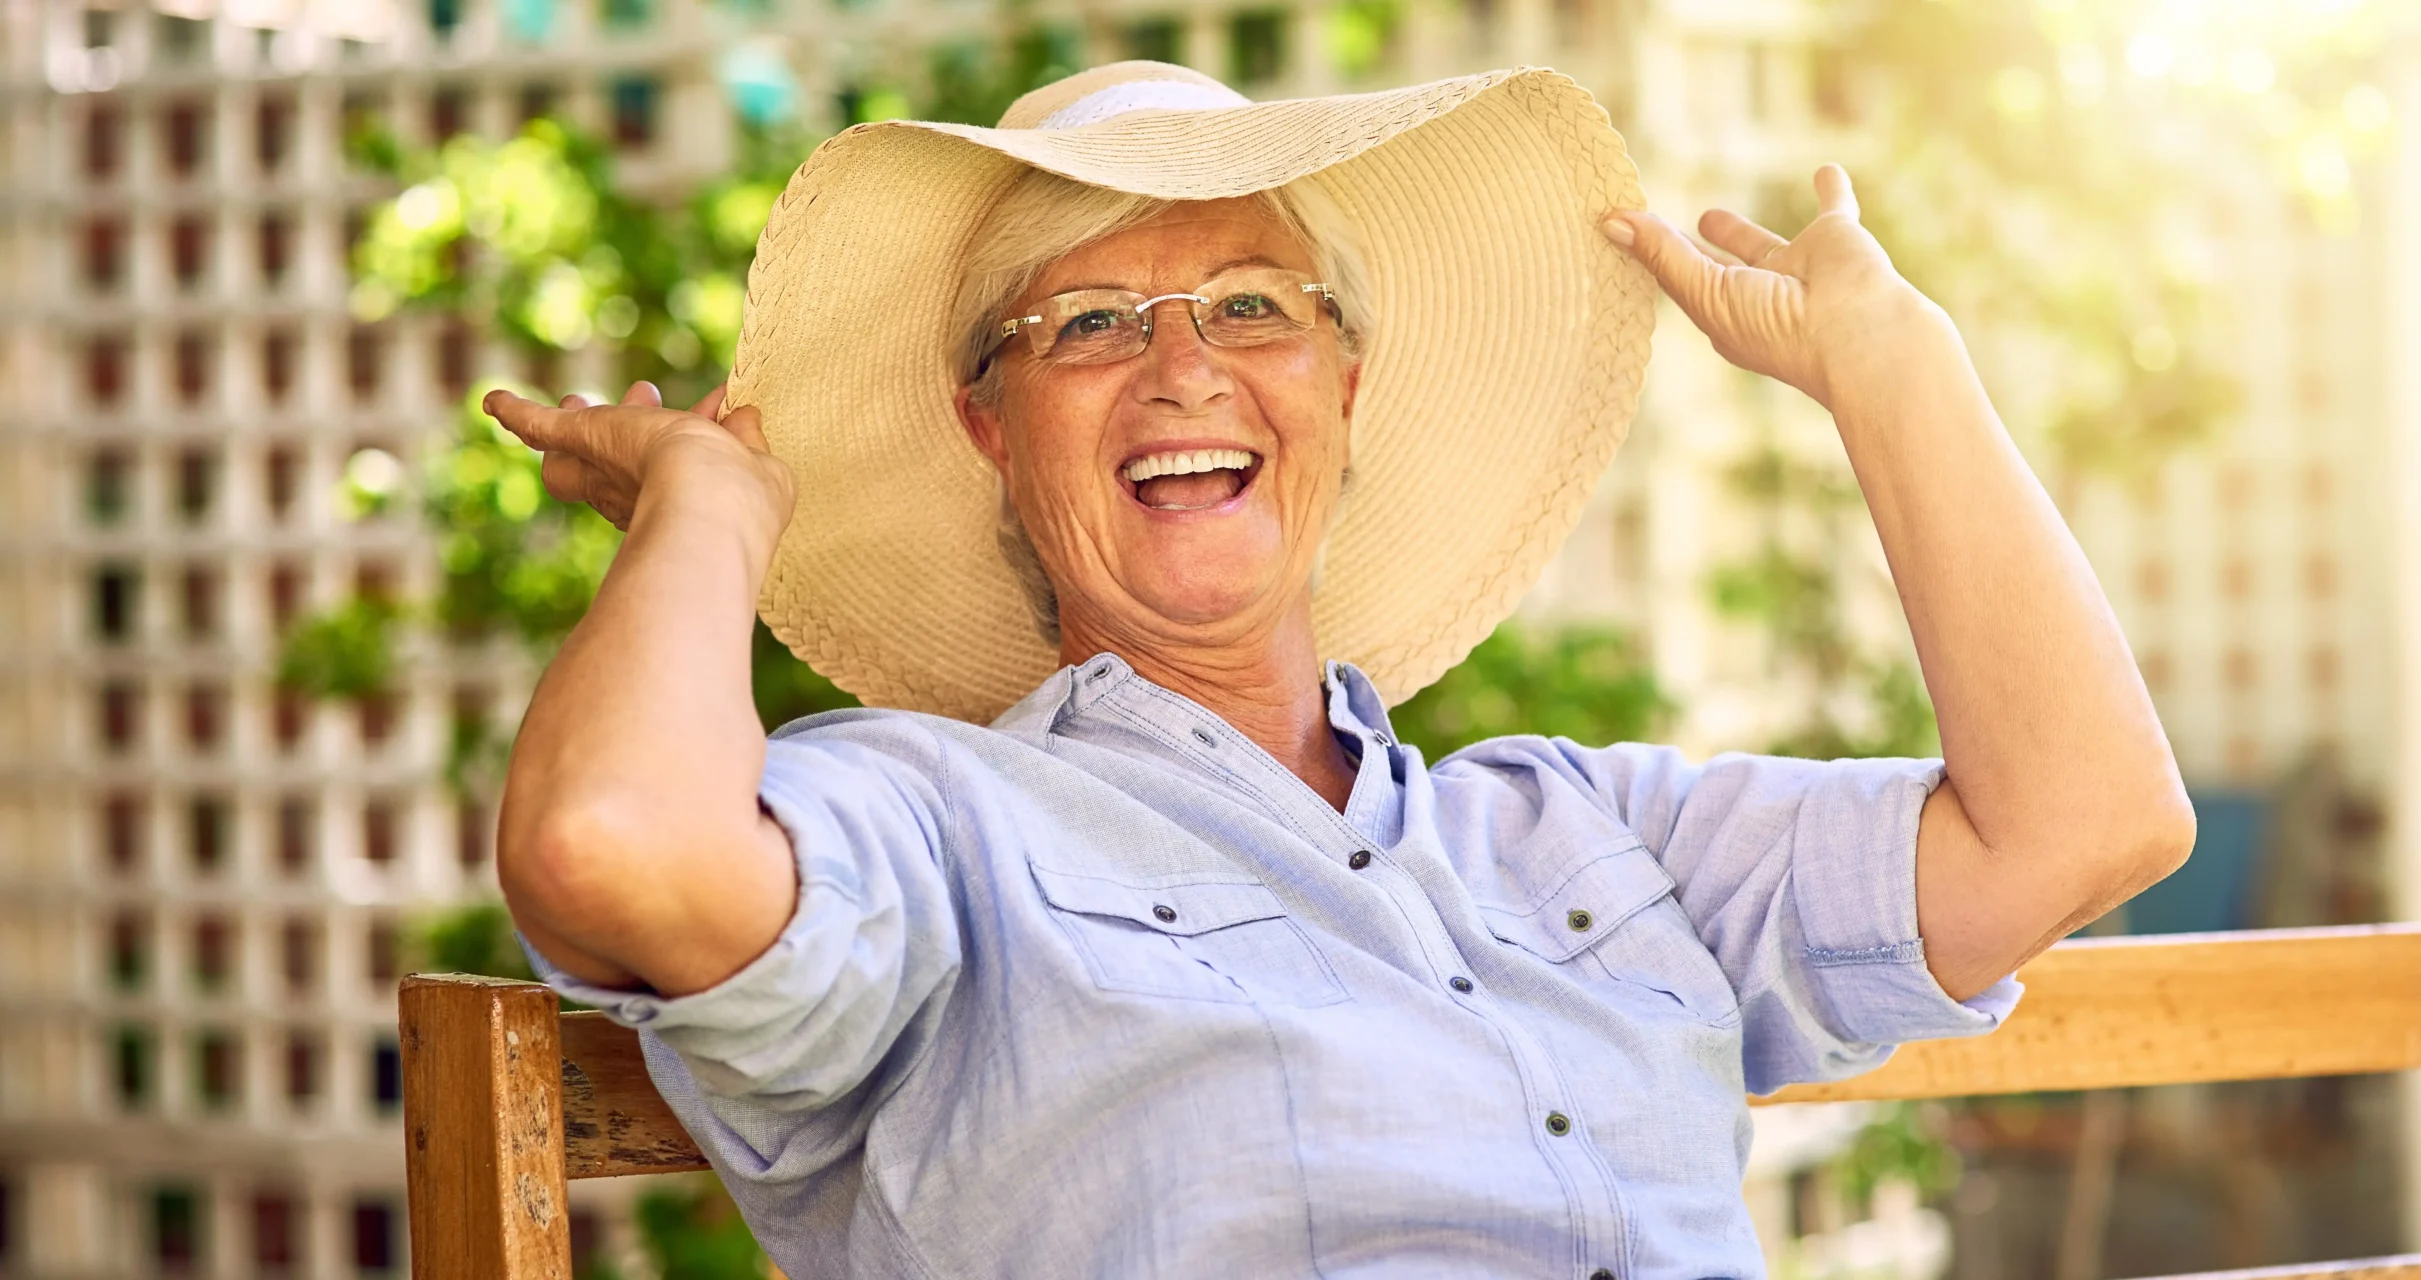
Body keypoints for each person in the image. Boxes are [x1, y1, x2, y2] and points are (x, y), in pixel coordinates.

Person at [484, 61, 2192, 1279]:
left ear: (1344, 391)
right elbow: (609, 847)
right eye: (1088, 324)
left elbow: (2086, 823)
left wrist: (1895, 370)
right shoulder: (936, 827)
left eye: (1251, 304)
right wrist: (711, 502)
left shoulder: (1580, 835)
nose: (1181, 369)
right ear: (988, 431)